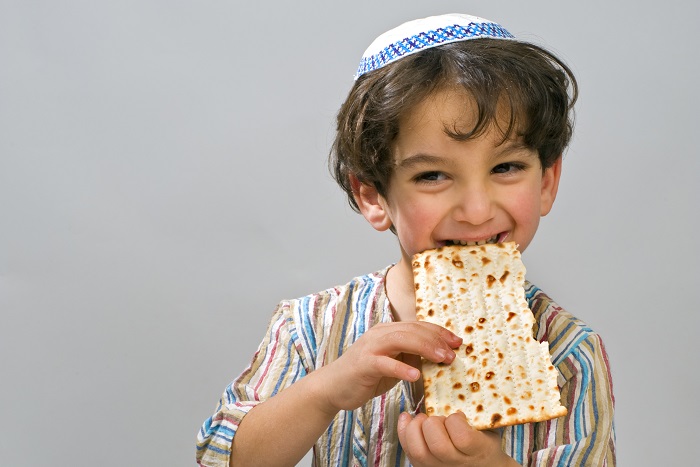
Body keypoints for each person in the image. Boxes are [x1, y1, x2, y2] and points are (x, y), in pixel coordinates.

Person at [196, 13, 616, 467]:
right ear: (373, 196)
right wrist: (325, 391)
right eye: (432, 175)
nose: (476, 209)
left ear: (547, 181)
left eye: (506, 167)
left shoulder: (569, 354)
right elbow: (223, 458)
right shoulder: (310, 328)